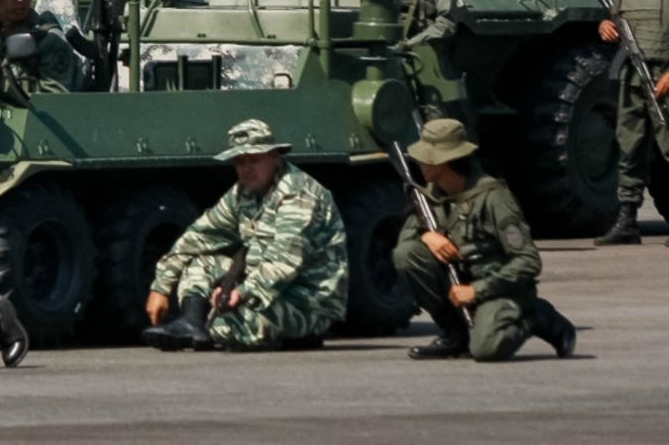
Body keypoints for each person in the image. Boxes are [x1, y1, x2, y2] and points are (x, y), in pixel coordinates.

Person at [142, 119, 348, 351]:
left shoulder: (298, 195)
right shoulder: (243, 194)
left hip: (308, 300)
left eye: (254, 159)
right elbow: (199, 237)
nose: (247, 168)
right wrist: (160, 287)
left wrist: (239, 293)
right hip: (262, 291)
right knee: (201, 263)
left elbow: (284, 263)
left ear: (274, 157)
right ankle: (192, 324)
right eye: (240, 161)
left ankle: (298, 333)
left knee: (224, 327)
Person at [392, 117, 575, 361]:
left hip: (499, 288)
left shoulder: (494, 198)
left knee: (486, 349)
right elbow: (407, 239)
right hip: (460, 285)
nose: (419, 160)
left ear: (443, 162)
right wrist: (428, 237)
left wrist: (477, 291)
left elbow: (528, 261)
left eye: (426, 155)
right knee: (407, 254)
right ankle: (454, 335)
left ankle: (535, 315)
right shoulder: (430, 196)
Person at [594, 0, 669, 245]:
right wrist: (606, 26)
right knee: (630, 145)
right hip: (634, 74)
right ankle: (627, 219)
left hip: (664, 72)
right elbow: (617, 17)